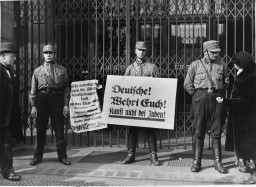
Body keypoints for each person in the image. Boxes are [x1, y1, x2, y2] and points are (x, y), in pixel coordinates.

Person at [184, 40, 229, 173]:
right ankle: (197, 162)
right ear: (205, 52)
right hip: (200, 99)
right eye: (213, 52)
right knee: (198, 132)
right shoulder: (195, 65)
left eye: (217, 52)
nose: (216, 55)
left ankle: (218, 162)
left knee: (216, 132)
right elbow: (187, 84)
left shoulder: (222, 64)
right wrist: (198, 95)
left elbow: (226, 83)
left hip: (217, 99)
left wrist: (219, 90)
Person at [216, 51, 256, 184]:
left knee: (252, 147)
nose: (234, 66)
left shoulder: (246, 78)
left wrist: (225, 101)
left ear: (241, 64)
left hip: (247, 119)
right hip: (249, 117)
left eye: (236, 64)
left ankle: (255, 176)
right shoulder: (250, 74)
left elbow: (243, 101)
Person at [30, 44, 71, 166]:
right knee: (40, 129)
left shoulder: (62, 70)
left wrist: (65, 105)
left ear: (55, 55)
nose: (48, 55)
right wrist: (33, 105)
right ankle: (37, 156)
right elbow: (33, 90)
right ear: (43, 55)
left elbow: (66, 89)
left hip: (57, 99)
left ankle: (62, 157)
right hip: (42, 99)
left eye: (50, 53)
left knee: (59, 129)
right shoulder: (37, 71)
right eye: (46, 53)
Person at [122, 41, 160, 166]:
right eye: (139, 50)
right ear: (135, 51)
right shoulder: (130, 69)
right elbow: (124, 87)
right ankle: (130, 154)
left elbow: (159, 85)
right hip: (134, 104)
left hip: (148, 104)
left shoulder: (152, 67)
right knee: (132, 130)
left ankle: (153, 155)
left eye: (143, 50)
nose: (141, 52)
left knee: (150, 130)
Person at [0, 42, 23, 181]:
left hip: (6, 117)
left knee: (5, 143)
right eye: (12, 56)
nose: (14, 59)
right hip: (1, 116)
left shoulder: (8, 70)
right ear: (3, 56)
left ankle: (6, 169)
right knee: (5, 144)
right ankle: (8, 172)